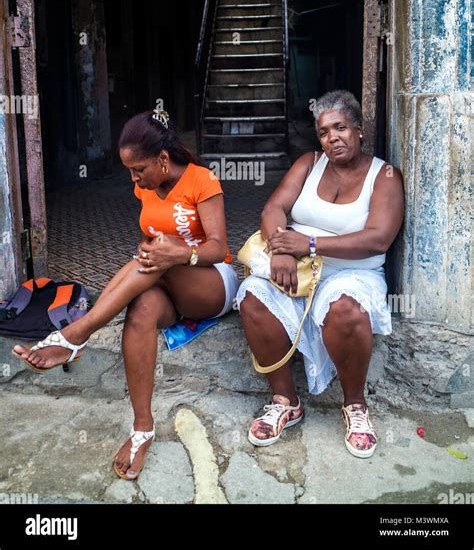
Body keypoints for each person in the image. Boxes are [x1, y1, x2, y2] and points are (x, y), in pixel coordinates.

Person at [13, 108, 239, 479]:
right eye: (130, 172)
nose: (134, 179)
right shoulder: (144, 187)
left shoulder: (203, 181)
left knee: (154, 261)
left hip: (212, 282)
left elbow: (218, 247)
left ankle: (77, 333)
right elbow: (150, 237)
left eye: (140, 170)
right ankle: (142, 429)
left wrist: (178, 253)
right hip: (165, 281)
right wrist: (156, 252)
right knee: (141, 310)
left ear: (163, 159)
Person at [236, 90, 404, 458]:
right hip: (295, 266)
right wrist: (279, 246)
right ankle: (285, 400)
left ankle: (355, 406)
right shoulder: (308, 164)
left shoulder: (386, 176)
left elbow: (378, 239)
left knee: (345, 307)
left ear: (358, 130)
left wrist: (308, 244)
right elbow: (274, 207)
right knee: (252, 294)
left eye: (341, 127)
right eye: (325, 132)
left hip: (352, 273)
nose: (333, 138)